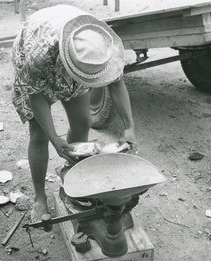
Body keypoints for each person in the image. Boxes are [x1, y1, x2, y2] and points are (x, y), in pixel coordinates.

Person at [11, 4, 136, 222]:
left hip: (75, 59)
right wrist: (55, 138)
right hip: (37, 55)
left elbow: (116, 84)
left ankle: (72, 181)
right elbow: (36, 96)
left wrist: (130, 127)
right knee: (40, 134)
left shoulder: (101, 49)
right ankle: (40, 198)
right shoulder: (39, 55)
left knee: (82, 122)